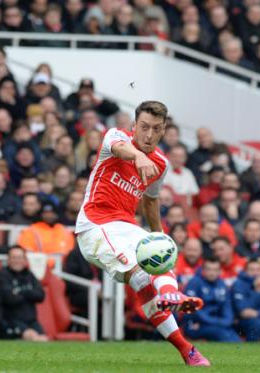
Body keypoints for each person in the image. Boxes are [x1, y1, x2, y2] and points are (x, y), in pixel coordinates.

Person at [75, 101, 209, 366]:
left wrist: (160, 238)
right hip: (95, 225)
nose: (148, 135)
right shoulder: (116, 137)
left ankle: (187, 348)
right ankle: (170, 293)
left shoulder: (160, 163)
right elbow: (122, 150)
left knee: (152, 268)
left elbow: (151, 200)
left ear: (163, 131)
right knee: (140, 271)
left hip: (126, 227)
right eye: (144, 127)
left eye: (156, 129)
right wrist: (138, 155)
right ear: (134, 126)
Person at [0, 246, 48, 341]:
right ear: (8, 260)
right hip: (11, 320)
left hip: (32, 320)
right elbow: (10, 299)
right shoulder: (2, 275)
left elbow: (41, 296)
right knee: (33, 338)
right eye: (14, 257)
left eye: (20, 257)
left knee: (44, 340)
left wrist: (21, 291)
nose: (17, 261)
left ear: (25, 260)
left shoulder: (29, 274)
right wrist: (29, 293)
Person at [183, 258, 241, 342]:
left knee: (235, 337)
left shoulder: (222, 284)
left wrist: (223, 322)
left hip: (217, 324)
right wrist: (217, 322)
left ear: (219, 271)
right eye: (209, 269)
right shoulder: (194, 283)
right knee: (223, 335)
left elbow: (227, 309)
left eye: (215, 270)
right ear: (203, 270)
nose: (212, 273)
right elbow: (192, 309)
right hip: (196, 324)